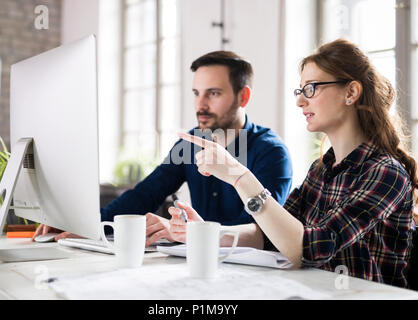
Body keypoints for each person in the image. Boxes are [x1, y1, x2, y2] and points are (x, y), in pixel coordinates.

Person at [174, 39, 417, 288]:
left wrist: (238, 176)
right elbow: (271, 236)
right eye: (300, 91)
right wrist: (205, 233)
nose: (300, 101)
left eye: (311, 88)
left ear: (351, 93)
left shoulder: (386, 172)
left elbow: (308, 249)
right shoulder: (320, 170)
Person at [33, 51, 293, 249]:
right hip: (197, 263)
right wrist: (90, 227)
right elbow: (146, 193)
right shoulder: (192, 142)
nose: (200, 104)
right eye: (196, 93)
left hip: (253, 275)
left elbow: (263, 233)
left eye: (213, 93)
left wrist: (187, 233)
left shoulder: (271, 153)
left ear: (243, 97)